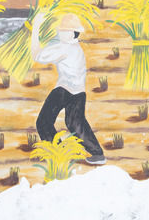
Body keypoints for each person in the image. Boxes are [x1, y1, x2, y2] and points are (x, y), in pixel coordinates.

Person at [31, 11, 106, 165]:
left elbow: (36, 55)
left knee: (43, 121)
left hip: (64, 90)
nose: (60, 33)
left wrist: (36, 27)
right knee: (76, 124)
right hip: (79, 92)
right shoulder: (76, 47)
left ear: (73, 33)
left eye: (64, 31)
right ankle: (97, 154)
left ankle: (58, 153)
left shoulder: (64, 48)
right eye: (61, 31)